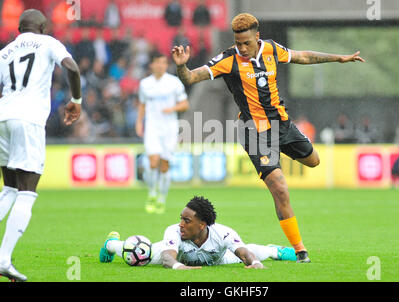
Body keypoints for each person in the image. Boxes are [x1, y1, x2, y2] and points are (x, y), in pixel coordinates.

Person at [172, 13, 364, 263]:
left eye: (247, 43)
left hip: (282, 124)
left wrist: (338, 58)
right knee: (280, 188)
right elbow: (191, 77)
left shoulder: (272, 49)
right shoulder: (228, 60)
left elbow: (302, 56)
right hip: (254, 132)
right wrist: (181, 66)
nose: (242, 48)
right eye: (238, 43)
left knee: (314, 161)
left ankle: (279, 152)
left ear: (257, 37)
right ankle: (300, 249)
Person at [0, 9, 81, 281]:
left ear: (19, 28)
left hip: (3, 117)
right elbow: (72, 67)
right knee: (27, 191)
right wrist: (76, 102)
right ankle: (3, 259)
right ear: (43, 28)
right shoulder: (48, 43)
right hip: (28, 119)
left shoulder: (5, 51)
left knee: (9, 187)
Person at [99, 196, 297, 269]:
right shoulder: (174, 232)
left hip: (216, 259)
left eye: (187, 220)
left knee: (251, 252)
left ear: (202, 225)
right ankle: (110, 244)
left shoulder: (223, 234)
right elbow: (168, 258)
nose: (181, 224)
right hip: (179, 257)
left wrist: (254, 263)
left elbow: (243, 253)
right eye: (181, 218)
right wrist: (178, 267)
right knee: (138, 254)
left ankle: (275, 251)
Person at [135, 53, 189, 214]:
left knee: (164, 165)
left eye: (163, 63)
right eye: (157, 62)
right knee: (153, 162)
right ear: (151, 65)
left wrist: (172, 109)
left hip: (169, 128)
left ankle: (161, 199)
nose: (160, 65)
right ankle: (152, 193)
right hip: (152, 127)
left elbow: (185, 104)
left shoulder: (174, 82)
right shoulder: (145, 84)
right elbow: (142, 105)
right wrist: (139, 122)